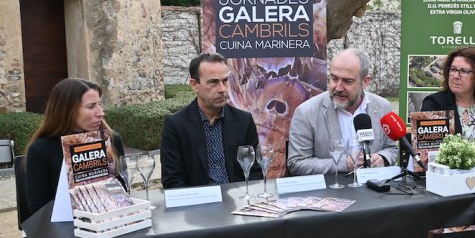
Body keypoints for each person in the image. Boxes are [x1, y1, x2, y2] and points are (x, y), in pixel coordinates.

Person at [287, 48, 398, 175]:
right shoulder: (307, 112)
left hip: (373, 190)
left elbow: (392, 149)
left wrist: (383, 158)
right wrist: (344, 164)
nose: (338, 88)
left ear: (365, 81)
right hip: (329, 193)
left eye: (347, 81)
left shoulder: (382, 107)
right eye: (334, 79)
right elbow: (297, 163)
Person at [161, 52, 263, 188]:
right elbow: (172, 180)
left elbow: (255, 172)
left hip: (238, 201)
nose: (222, 89)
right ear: (194, 85)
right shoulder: (176, 125)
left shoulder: (243, 121)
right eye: (213, 82)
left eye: (225, 80)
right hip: (197, 204)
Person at [25, 78, 125, 215]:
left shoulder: (112, 140)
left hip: (112, 222)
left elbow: (123, 191)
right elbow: (38, 209)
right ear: (67, 111)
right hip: (64, 230)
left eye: (100, 104)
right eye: (91, 107)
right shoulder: (41, 150)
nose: (100, 112)